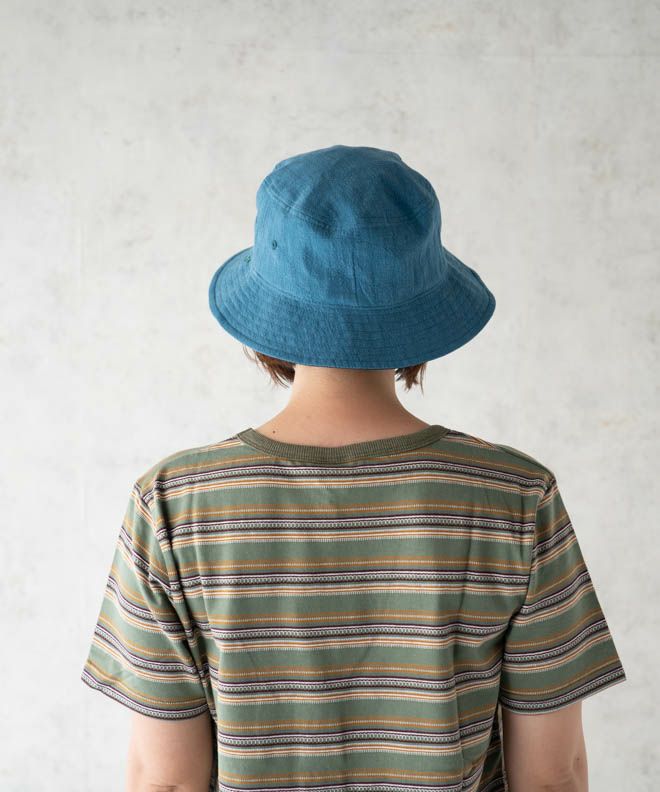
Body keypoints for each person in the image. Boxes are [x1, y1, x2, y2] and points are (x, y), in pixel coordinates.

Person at [81, 145, 626, 792]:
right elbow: (552, 777)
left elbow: (167, 781)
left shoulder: (173, 504)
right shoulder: (516, 497)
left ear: (269, 317)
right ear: (423, 312)